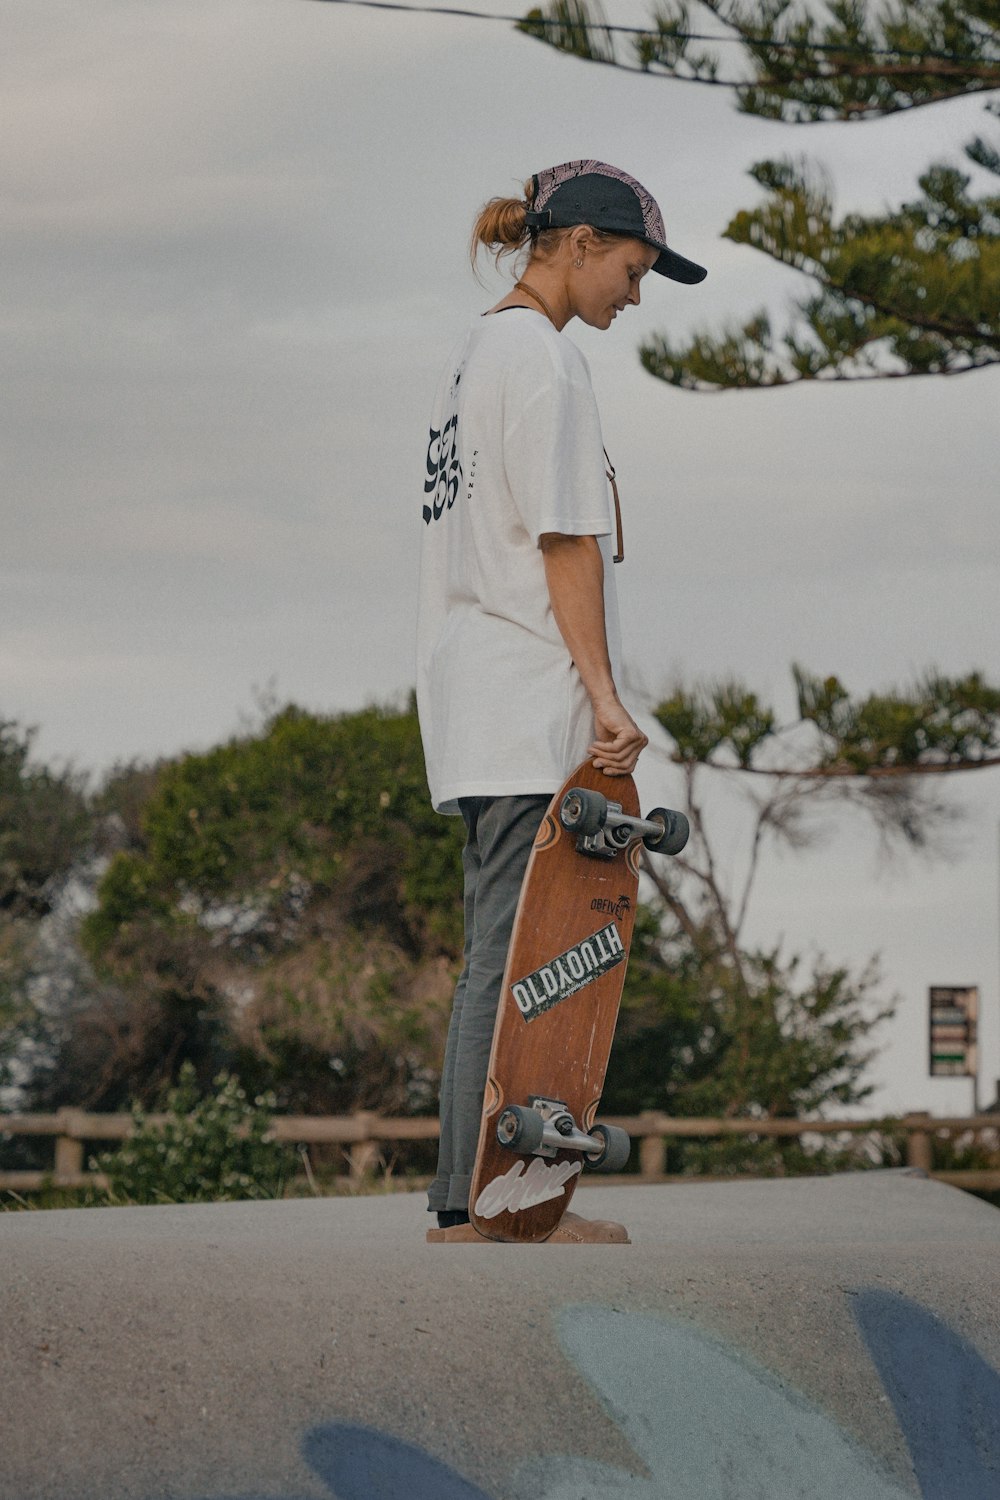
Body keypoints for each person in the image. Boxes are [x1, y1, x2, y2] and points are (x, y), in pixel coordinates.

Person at [416, 161, 706, 1244]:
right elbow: (564, 538)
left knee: (513, 952)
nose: (636, 294)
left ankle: (492, 1198)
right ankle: (475, 1204)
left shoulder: (474, 357)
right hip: (527, 702)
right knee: (512, 956)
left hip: (474, 698)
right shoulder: (542, 363)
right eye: (632, 270)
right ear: (578, 243)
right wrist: (605, 700)